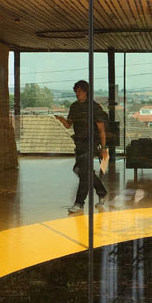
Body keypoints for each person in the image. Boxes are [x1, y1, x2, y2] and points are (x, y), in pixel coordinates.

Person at [55, 80, 108, 213]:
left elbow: (102, 130)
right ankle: (102, 192)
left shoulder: (94, 107)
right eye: (76, 92)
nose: (77, 94)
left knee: (84, 174)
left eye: (80, 91)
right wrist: (62, 120)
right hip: (79, 143)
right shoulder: (74, 107)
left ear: (86, 92)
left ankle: (79, 203)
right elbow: (69, 125)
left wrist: (104, 148)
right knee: (81, 170)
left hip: (90, 143)